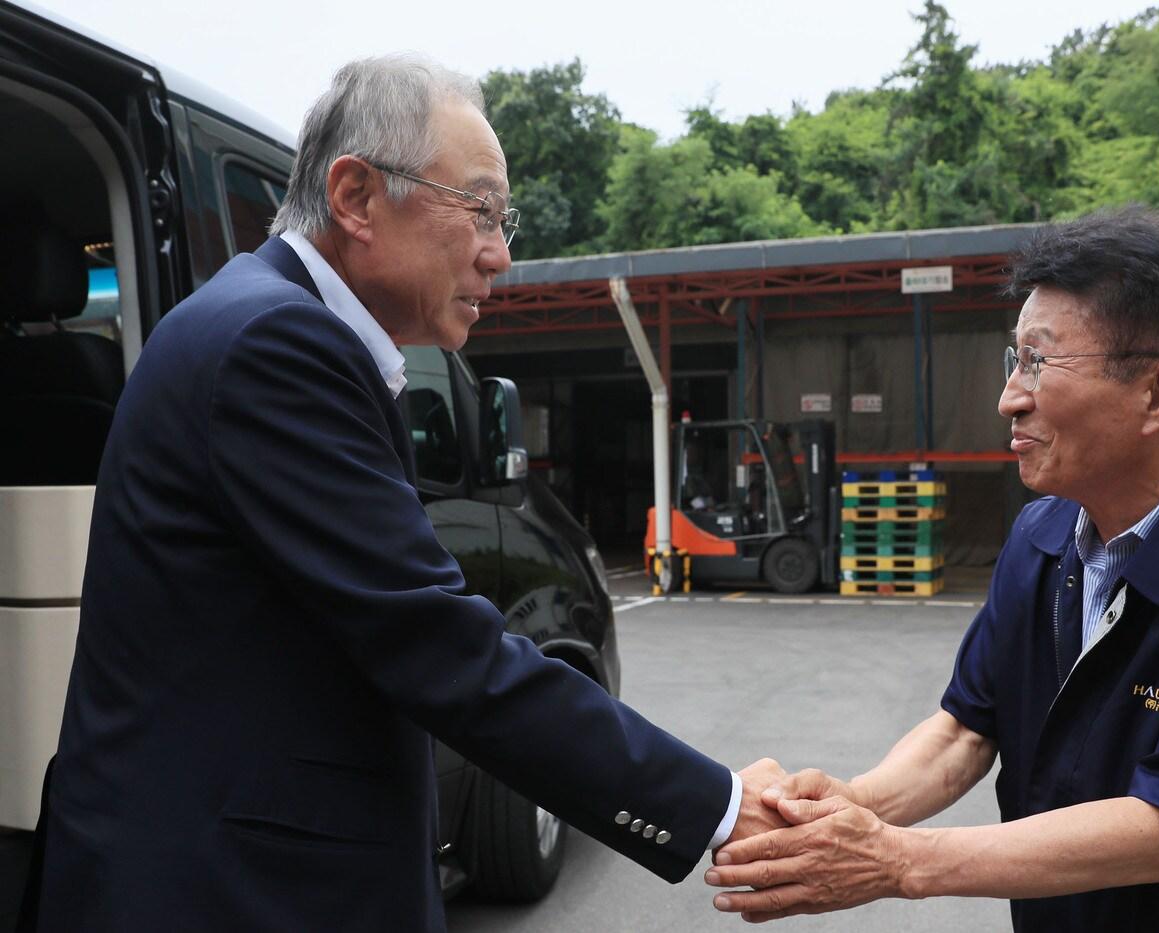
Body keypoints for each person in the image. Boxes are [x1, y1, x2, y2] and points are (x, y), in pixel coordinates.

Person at [26, 55, 784, 932]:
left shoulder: (278, 328)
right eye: (482, 212)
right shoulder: (275, 347)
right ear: (355, 197)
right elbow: (442, 647)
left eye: (507, 220)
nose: (500, 255)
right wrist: (720, 805)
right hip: (226, 891)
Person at [705, 209, 1159, 931]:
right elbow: (966, 728)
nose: (1009, 396)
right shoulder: (1042, 532)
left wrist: (897, 859)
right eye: (1014, 359)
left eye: (1038, 360)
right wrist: (852, 804)